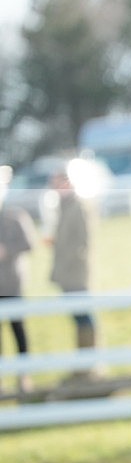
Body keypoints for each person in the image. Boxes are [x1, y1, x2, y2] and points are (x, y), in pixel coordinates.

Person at [48, 168, 101, 381]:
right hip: (67, 274)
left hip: (76, 273)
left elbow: (82, 241)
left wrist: (67, 260)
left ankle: (90, 366)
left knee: (84, 318)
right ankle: (84, 365)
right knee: (78, 318)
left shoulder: (78, 206)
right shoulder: (64, 207)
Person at [0, 166, 37, 394]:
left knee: (18, 330)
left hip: (12, 283)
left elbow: (28, 243)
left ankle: (25, 376)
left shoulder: (15, 215)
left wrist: (6, 250)